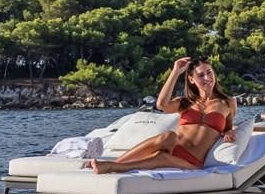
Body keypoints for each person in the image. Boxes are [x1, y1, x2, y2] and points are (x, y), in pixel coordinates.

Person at [90, 57, 237, 173]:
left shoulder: (228, 102)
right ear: (191, 80)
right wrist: (175, 72)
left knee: (160, 157)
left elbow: (228, 126)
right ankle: (115, 163)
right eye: (201, 75)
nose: (207, 78)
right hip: (175, 148)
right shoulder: (185, 102)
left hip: (193, 161)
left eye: (209, 72)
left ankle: (112, 167)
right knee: (168, 136)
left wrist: (229, 131)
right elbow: (161, 105)